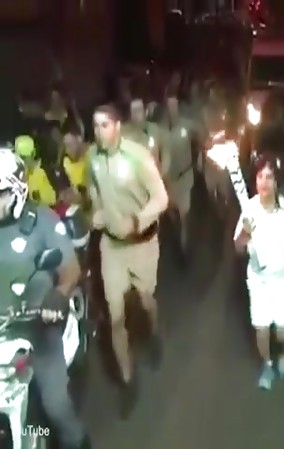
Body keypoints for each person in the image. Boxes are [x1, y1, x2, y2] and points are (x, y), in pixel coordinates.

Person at [0, 149, 90, 449]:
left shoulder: (42, 220)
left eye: (0, 194)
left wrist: (58, 295)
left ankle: (77, 441)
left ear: (17, 190)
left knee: (55, 403)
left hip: (37, 322)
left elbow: (70, 269)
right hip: (2, 328)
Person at [88, 104, 169, 417]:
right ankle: (128, 381)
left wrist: (137, 221)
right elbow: (95, 190)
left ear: (118, 126)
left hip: (142, 243)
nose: (99, 132)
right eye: (95, 126)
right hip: (112, 247)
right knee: (116, 317)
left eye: (105, 125)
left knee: (146, 300)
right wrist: (97, 211)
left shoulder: (138, 156)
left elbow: (161, 198)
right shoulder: (93, 157)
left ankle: (155, 332)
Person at [233, 158, 284, 390]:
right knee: (262, 330)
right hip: (259, 281)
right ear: (255, 181)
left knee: (281, 332)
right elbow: (237, 247)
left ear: (276, 182)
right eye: (260, 177)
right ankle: (267, 365)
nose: (264, 182)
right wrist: (245, 233)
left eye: (269, 177)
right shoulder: (249, 210)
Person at [160, 90, 197, 261]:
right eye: (169, 106)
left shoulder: (187, 125)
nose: (172, 110)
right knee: (171, 213)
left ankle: (184, 249)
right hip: (167, 181)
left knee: (183, 215)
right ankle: (176, 228)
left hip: (184, 178)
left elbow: (201, 136)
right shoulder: (159, 130)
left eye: (174, 105)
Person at [122, 95, 170, 177]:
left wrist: (162, 174)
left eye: (138, 110)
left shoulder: (155, 130)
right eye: (133, 111)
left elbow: (166, 153)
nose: (136, 115)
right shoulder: (124, 133)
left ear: (145, 112)